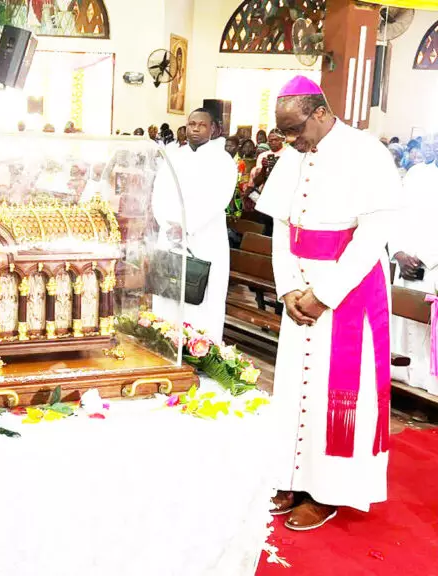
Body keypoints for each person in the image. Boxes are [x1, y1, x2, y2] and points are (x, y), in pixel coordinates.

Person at [256, 76, 399, 530]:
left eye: (295, 130)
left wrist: (325, 294)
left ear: (320, 112)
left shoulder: (366, 152)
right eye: (282, 133)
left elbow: (372, 236)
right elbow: (281, 227)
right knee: (296, 392)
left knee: (338, 397)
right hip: (299, 288)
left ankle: (329, 489)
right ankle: (292, 477)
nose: (290, 141)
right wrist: (287, 288)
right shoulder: (292, 154)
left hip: (348, 290)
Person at [152, 108, 237, 342]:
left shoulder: (222, 160)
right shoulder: (174, 156)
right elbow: (159, 193)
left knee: (201, 293)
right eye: (191, 124)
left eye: (201, 125)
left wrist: (186, 226)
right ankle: (165, 341)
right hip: (170, 236)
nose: (195, 129)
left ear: (213, 129)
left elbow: (219, 198)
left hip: (204, 236)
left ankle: (200, 349)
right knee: (167, 290)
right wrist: (167, 223)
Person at [390, 140, 438, 396]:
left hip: (432, 269)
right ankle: (399, 379)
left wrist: (423, 258)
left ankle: (425, 388)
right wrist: (398, 252)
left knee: (426, 333)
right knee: (400, 325)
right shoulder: (417, 173)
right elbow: (395, 213)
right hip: (405, 264)